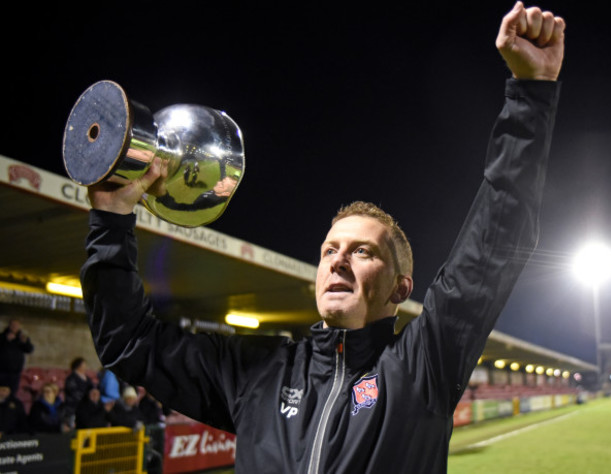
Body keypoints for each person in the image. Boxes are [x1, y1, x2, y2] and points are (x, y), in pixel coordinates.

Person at [79, 3, 565, 472]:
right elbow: (129, 341)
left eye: (362, 252)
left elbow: (494, 243)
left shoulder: (421, 368)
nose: (338, 261)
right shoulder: (257, 371)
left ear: (400, 288)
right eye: (329, 250)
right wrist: (111, 219)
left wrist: (531, 95)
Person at [0, 319, 34, 395]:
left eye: (16, 326)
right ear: (9, 326)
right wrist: (6, 340)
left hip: (15, 372)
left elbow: (30, 350)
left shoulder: (22, 338)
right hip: (2, 371)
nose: (14, 327)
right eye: (13, 325)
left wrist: (25, 343)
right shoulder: (2, 336)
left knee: (12, 393)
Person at [62, 357, 94, 427]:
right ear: (78, 366)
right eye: (84, 365)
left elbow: (92, 388)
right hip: (74, 407)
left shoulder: (87, 378)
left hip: (85, 408)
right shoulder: (71, 378)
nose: (85, 367)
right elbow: (73, 393)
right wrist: (86, 398)